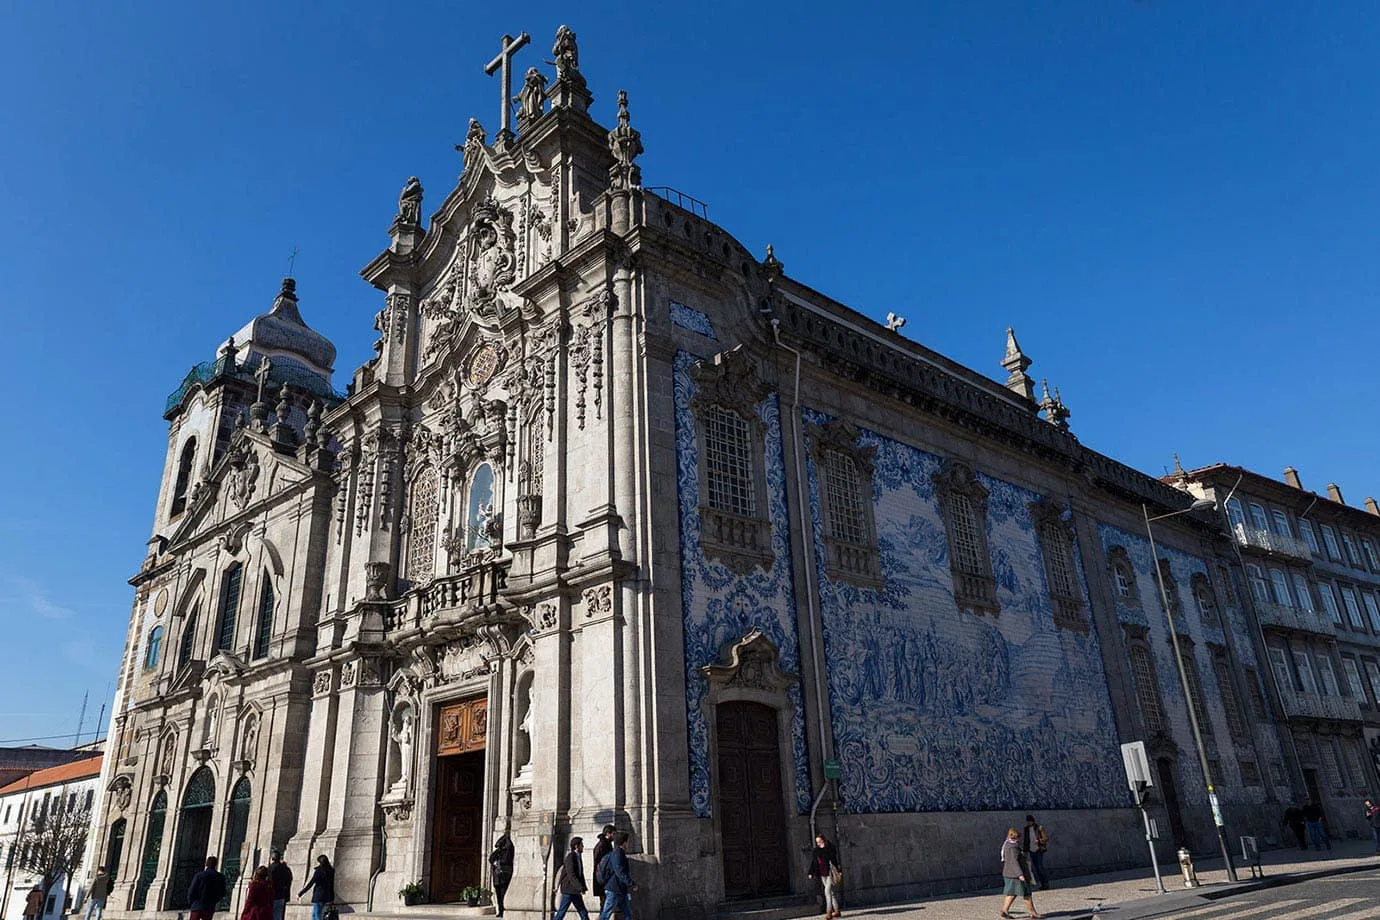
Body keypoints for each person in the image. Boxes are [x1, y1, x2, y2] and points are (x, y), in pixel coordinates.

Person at [999, 828, 1040, 920]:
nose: (1019, 839)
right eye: (1018, 838)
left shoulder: (1007, 844)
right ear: (1015, 837)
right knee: (1026, 892)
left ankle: (1004, 910)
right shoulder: (1012, 847)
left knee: (1012, 893)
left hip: (1009, 873)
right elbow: (1014, 862)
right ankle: (1032, 913)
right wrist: (1020, 874)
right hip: (1016, 875)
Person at [597, 832, 636, 920]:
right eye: (627, 841)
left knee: (628, 914)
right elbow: (620, 872)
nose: (628, 844)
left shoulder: (619, 853)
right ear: (624, 842)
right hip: (614, 889)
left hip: (620, 889)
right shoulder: (617, 854)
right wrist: (631, 884)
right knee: (606, 914)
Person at [807, 834, 843, 919]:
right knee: (831, 893)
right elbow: (814, 862)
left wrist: (839, 870)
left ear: (823, 840)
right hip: (822, 873)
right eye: (817, 842)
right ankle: (837, 910)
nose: (818, 843)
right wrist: (811, 872)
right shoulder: (816, 851)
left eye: (819, 841)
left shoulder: (830, 849)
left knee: (827, 891)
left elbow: (834, 860)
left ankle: (829, 912)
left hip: (830, 873)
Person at [554, 837, 590, 920]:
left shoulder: (578, 857)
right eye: (581, 845)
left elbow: (580, 874)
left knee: (583, 912)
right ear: (576, 846)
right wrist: (580, 887)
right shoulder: (571, 857)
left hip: (575, 890)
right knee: (562, 912)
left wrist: (582, 887)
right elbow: (571, 874)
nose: (583, 846)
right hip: (569, 889)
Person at [297, 855, 335, 920]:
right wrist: (331, 897)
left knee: (316, 915)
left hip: (318, 896)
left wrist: (300, 893)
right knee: (316, 914)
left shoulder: (319, 871)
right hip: (326, 896)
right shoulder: (331, 871)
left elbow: (311, 883)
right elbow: (331, 885)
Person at [591, 824, 616, 909]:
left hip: (604, 877)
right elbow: (599, 862)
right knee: (604, 903)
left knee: (605, 903)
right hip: (602, 877)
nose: (614, 836)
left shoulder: (606, 844)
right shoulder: (602, 845)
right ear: (608, 834)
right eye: (613, 833)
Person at [490, 834, 515, 917]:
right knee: (499, 897)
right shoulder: (498, 852)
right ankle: (500, 911)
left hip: (504, 878)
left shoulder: (508, 852)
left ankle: (504, 911)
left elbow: (509, 846)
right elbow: (491, 858)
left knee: (503, 895)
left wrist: (506, 836)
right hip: (497, 879)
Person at [1022, 815, 1049, 891]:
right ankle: (1042, 883)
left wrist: (1039, 841)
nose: (1029, 823)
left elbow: (1046, 838)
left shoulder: (1039, 828)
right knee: (1036, 867)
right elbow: (1026, 840)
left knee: (1040, 866)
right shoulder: (1026, 829)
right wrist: (1025, 850)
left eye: (1030, 821)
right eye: (1028, 821)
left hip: (1039, 849)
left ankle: (1045, 883)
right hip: (1031, 849)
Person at [268, 850, 293, 920]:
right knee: (279, 916)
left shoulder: (270, 869)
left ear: (272, 858)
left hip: (272, 896)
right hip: (282, 895)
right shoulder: (286, 869)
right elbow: (289, 880)